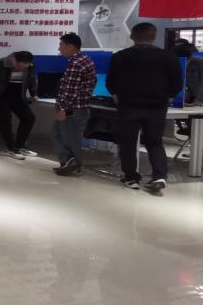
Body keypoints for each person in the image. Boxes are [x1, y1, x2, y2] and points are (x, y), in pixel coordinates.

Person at [106, 23, 182, 193]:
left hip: (128, 106)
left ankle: (131, 177)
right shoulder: (169, 57)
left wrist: (116, 95)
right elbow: (177, 84)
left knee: (128, 143)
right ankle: (159, 176)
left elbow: (111, 82)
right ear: (153, 37)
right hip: (157, 107)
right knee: (155, 142)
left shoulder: (120, 56)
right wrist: (168, 97)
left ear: (132, 36)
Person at [0, 51, 39, 160]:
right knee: (5, 119)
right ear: (14, 60)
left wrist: (34, 93)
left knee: (29, 118)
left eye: (25, 66)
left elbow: (31, 79)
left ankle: (20, 146)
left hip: (17, 95)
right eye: (19, 66)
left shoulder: (30, 65)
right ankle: (12, 148)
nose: (21, 68)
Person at [52, 33, 97, 177]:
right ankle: (68, 162)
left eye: (61, 45)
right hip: (80, 106)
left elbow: (71, 89)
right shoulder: (85, 59)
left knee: (69, 137)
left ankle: (73, 163)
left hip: (72, 108)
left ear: (70, 46)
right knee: (59, 133)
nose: (59, 49)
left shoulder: (76, 63)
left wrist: (63, 108)